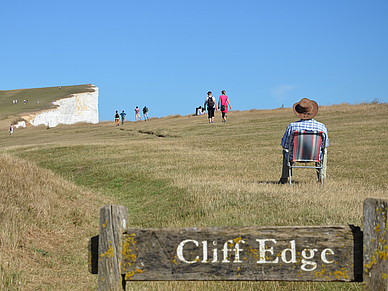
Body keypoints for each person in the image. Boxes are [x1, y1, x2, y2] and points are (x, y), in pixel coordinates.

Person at [279, 98, 329, 185]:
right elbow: (324, 145)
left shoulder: (292, 126)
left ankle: (284, 178)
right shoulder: (321, 127)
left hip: (294, 156)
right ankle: (322, 178)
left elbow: (285, 145)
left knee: (285, 151)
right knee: (324, 151)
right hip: (315, 156)